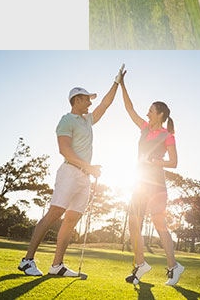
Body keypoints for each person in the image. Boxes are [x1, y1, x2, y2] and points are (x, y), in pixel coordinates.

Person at [18, 71, 121, 277]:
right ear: (77, 100)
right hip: (69, 172)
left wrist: (116, 82)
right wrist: (89, 167)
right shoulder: (67, 120)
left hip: (84, 177)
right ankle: (27, 260)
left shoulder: (87, 121)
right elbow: (64, 150)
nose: (90, 103)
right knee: (55, 212)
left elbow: (105, 105)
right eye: (87, 99)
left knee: (72, 219)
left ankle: (57, 265)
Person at [119, 70, 184, 287]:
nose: (147, 113)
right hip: (140, 182)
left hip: (155, 183)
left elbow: (174, 162)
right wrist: (122, 84)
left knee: (158, 222)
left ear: (159, 115)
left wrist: (156, 162)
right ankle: (141, 264)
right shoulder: (145, 128)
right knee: (133, 222)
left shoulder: (168, 135)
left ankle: (174, 266)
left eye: (150, 111)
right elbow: (129, 108)